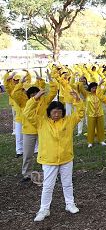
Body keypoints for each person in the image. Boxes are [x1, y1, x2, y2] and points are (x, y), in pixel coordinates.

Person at [24, 89, 84, 222]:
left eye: (59, 112)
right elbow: (27, 113)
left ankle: (70, 204)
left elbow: (80, 113)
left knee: (67, 183)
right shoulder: (41, 122)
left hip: (66, 158)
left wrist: (77, 100)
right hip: (49, 160)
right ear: (49, 113)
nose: (56, 114)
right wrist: (35, 99)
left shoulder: (68, 121)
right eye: (54, 112)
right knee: (48, 185)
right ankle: (44, 209)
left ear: (63, 113)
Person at [78, 79, 106, 148]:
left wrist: (102, 82)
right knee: (90, 128)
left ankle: (101, 140)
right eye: (93, 88)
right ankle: (90, 142)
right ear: (90, 88)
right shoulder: (87, 94)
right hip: (91, 115)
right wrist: (81, 82)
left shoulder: (99, 94)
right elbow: (81, 88)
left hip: (100, 114)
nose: (94, 89)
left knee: (100, 128)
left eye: (96, 88)